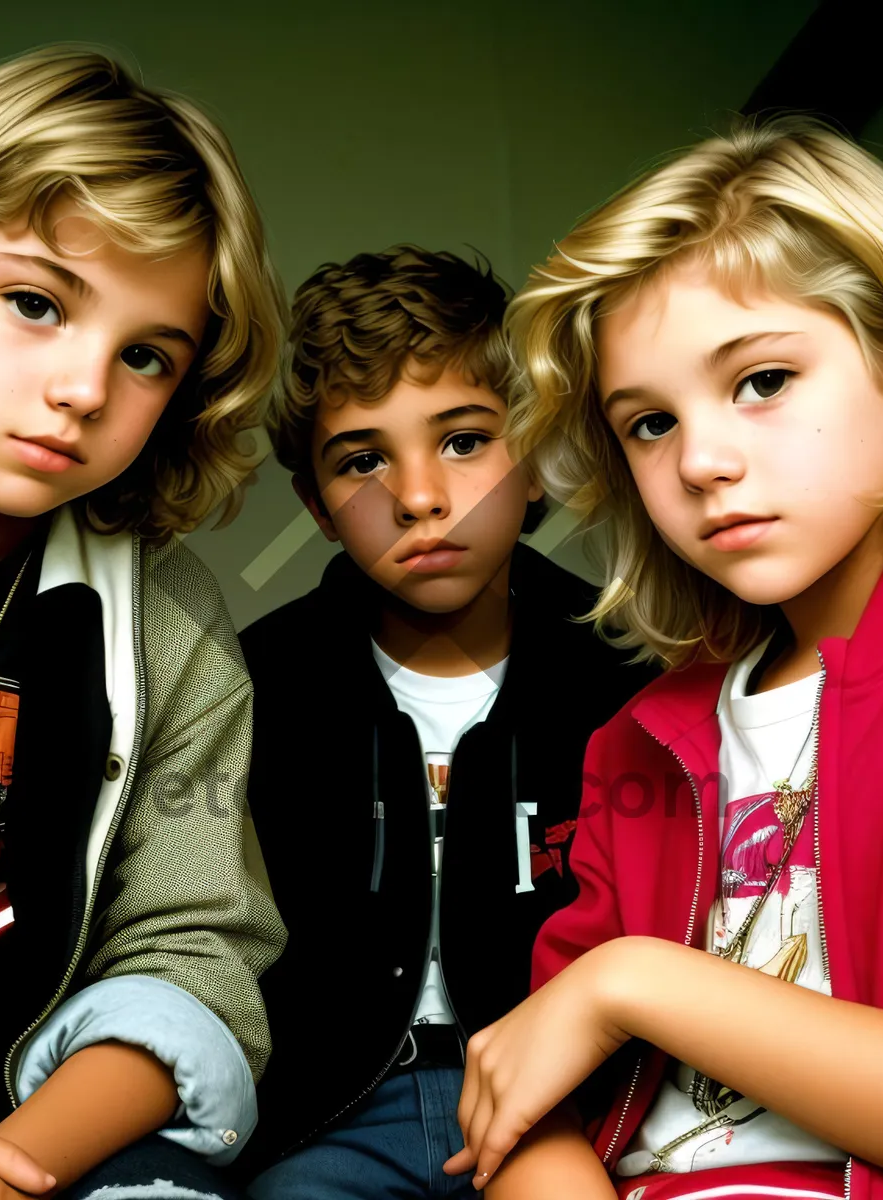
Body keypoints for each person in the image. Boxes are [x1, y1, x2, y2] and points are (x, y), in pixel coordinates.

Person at [444, 118, 883, 1200]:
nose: (704, 461)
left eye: (761, 380)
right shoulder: (639, 733)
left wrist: (637, 984)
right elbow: (527, 1105)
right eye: (651, 423)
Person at [0, 46, 287, 1199]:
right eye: (35, 304)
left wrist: (7, 1171)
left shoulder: (170, 620)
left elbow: (196, 948)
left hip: (33, 1125)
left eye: (144, 356)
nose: (86, 387)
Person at [237, 246, 655, 1198]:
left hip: (567, 1109)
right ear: (317, 506)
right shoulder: (260, 680)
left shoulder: (628, 674)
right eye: (363, 460)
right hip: (329, 1113)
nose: (419, 498)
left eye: (464, 440)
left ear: (538, 462)